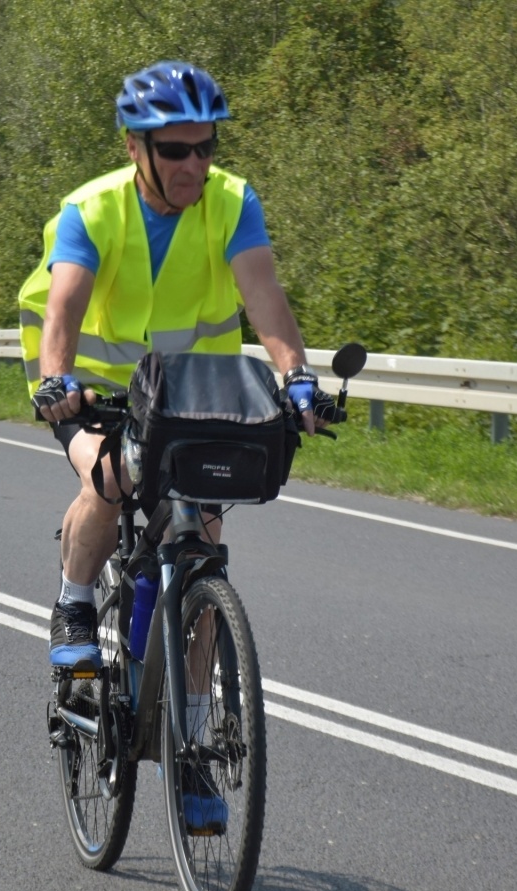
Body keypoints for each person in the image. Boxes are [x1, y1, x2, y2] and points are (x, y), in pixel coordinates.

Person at [19, 62, 330, 832]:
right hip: (92, 385)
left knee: (203, 537)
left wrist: (298, 379)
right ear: (136, 147)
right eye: (176, 149)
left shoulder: (232, 202)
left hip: (188, 393)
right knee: (114, 476)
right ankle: (74, 608)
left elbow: (265, 299)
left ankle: (190, 742)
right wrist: (57, 381)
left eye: (204, 147)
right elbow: (63, 307)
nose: (194, 164)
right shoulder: (89, 211)